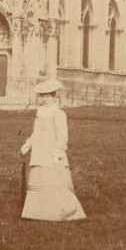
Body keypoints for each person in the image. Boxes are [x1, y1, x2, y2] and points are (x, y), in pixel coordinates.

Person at [20, 79, 86, 221]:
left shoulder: (58, 113)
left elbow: (62, 136)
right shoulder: (40, 112)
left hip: (51, 152)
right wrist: (29, 144)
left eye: (47, 96)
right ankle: (38, 212)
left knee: (54, 181)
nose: (44, 99)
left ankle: (57, 211)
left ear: (54, 97)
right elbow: (36, 132)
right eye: (41, 96)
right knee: (39, 180)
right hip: (39, 152)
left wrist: (57, 151)